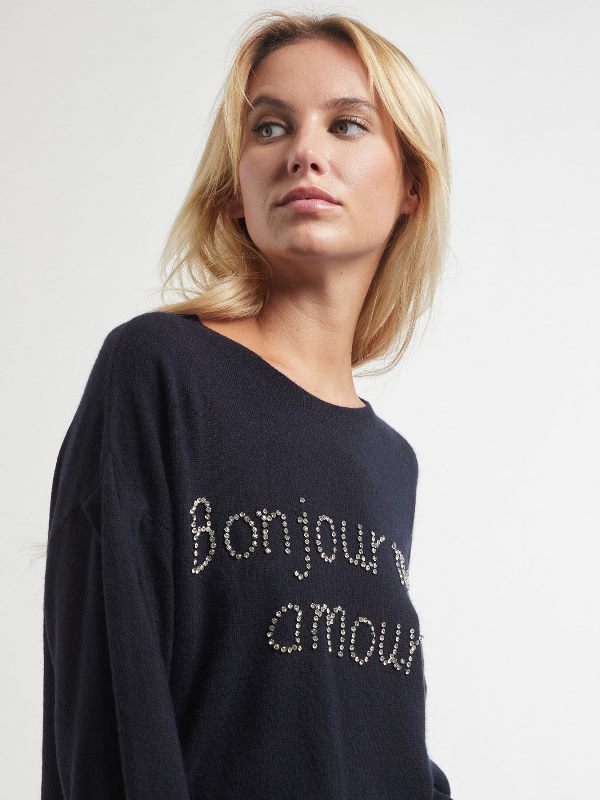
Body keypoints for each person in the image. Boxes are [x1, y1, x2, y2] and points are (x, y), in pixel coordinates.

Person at [41, 10, 453, 799]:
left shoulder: (389, 462)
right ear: (235, 188)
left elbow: (363, 732)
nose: (304, 152)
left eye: (346, 124)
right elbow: (112, 700)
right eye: (269, 127)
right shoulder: (158, 372)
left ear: (410, 184)